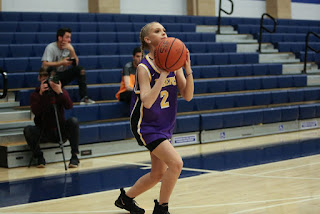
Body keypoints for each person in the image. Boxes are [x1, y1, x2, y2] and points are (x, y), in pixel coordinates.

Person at [114, 22, 194, 214]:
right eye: (158, 31)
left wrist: (186, 68)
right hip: (146, 124)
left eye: (164, 30)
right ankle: (161, 208)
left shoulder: (173, 62)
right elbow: (148, 101)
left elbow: (188, 95)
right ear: (147, 40)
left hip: (165, 124)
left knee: (158, 173)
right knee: (176, 163)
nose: (164, 33)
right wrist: (164, 74)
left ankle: (126, 199)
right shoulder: (144, 67)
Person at [24, 67, 80, 168]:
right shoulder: (35, 94)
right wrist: (41, 95)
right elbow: (36, 111)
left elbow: (69, 106)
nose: (47, 81)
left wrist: (60, 92)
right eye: (44, 78)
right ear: (39, 78)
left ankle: (74, 157)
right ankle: (39, 158)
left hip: (60, 130)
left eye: (49, 78)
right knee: (28, 130)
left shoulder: (59, 90)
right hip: (44, 131)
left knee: (73, 121)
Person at [41, 27, 95, 105]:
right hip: (51, 77)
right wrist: (61, 63)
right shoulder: (50, 47)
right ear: (60, 38)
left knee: (80, 69)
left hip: (62, 76)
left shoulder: (68, 47)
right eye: (67, 37)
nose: (69, 40)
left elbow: (75, 64)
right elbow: (44, 64)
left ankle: (84, 98)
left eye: (70, 37)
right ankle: (51, 96)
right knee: (51, 69)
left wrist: (72, 50)